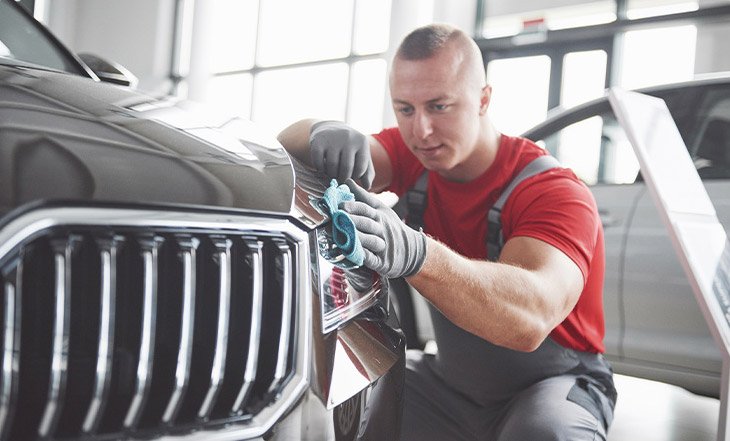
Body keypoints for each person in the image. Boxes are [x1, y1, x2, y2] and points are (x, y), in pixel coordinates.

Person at [278, 23, 616, 441]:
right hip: (450, 384)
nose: (421, 131)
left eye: (439, 106)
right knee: (338, 406)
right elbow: (291, 149)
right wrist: (316, 130)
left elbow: (531, 318)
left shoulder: (550, 190)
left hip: (551, 385)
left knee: (544, 434)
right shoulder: (414, 156)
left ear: (483, 99)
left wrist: (417, 255)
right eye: (405, 109)